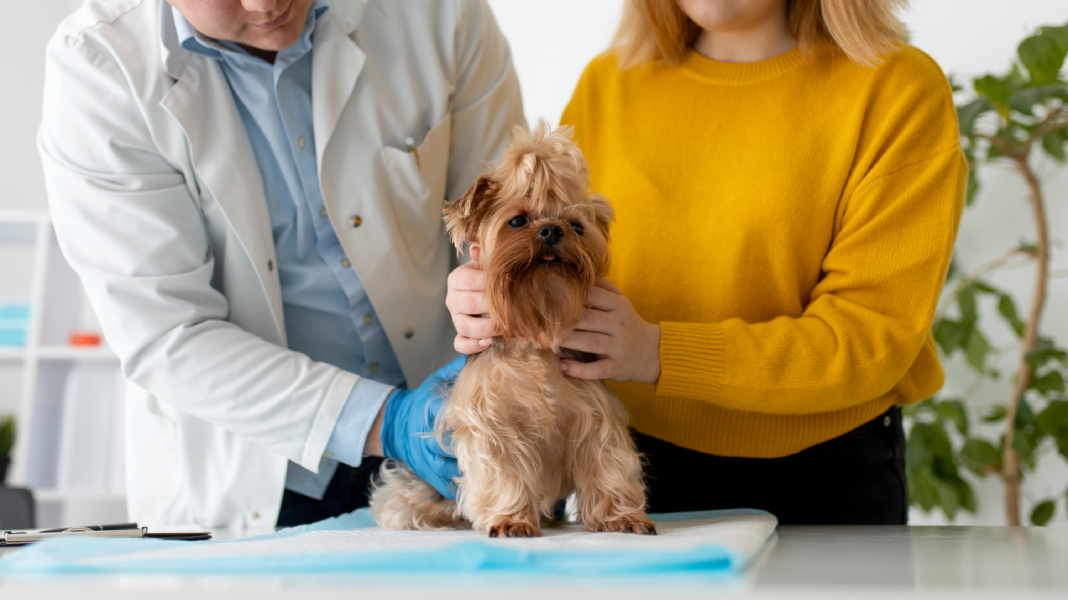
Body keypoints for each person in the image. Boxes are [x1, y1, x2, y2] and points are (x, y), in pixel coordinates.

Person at [447, 0, 966, 524]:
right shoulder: (608, 84)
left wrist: (661, 352)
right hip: (633, 474)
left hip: (830, 477)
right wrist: (483, 291)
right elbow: (555, 257)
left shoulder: (897, 90)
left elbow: (872, 336)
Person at [39, 0, 524, 528]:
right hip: (260, 471)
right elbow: (170, 333)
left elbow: (503, 218)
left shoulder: (438, 12)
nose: (265, 4)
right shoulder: (100, 70)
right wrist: (389, 421)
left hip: (454, 444)